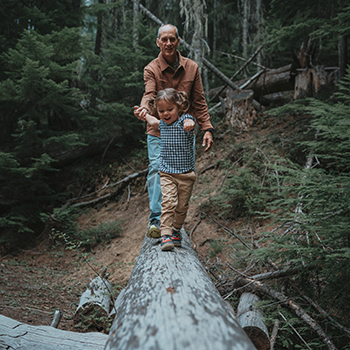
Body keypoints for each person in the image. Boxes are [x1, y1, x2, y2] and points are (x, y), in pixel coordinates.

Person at [134, 23, 214, 238]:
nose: (168, 43)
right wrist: (144, 108)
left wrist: (206, 128)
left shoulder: (192, 68)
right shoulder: (151, 68)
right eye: (164, 39)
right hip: (158, 132)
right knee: (156, 169)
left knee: (183, 175)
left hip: (184, 132)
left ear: (178, 41)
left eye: (172, 39)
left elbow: (199, 100)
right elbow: (149, 94)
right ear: (158, 42)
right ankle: (156, 221)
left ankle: (176, 223)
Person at [135, 88, 196, 251]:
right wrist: (144, 115)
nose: (166, 113)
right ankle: (166, 235)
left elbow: (189, 120)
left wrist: (189, 123)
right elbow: (153, 122)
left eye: (170, 109)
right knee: (169, 202)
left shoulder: (185, 121)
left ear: (179, 107)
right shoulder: (162, 124)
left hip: (186, 174)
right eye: (161, 111)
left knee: (182, 207)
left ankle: (176, 231)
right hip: (167, 173)